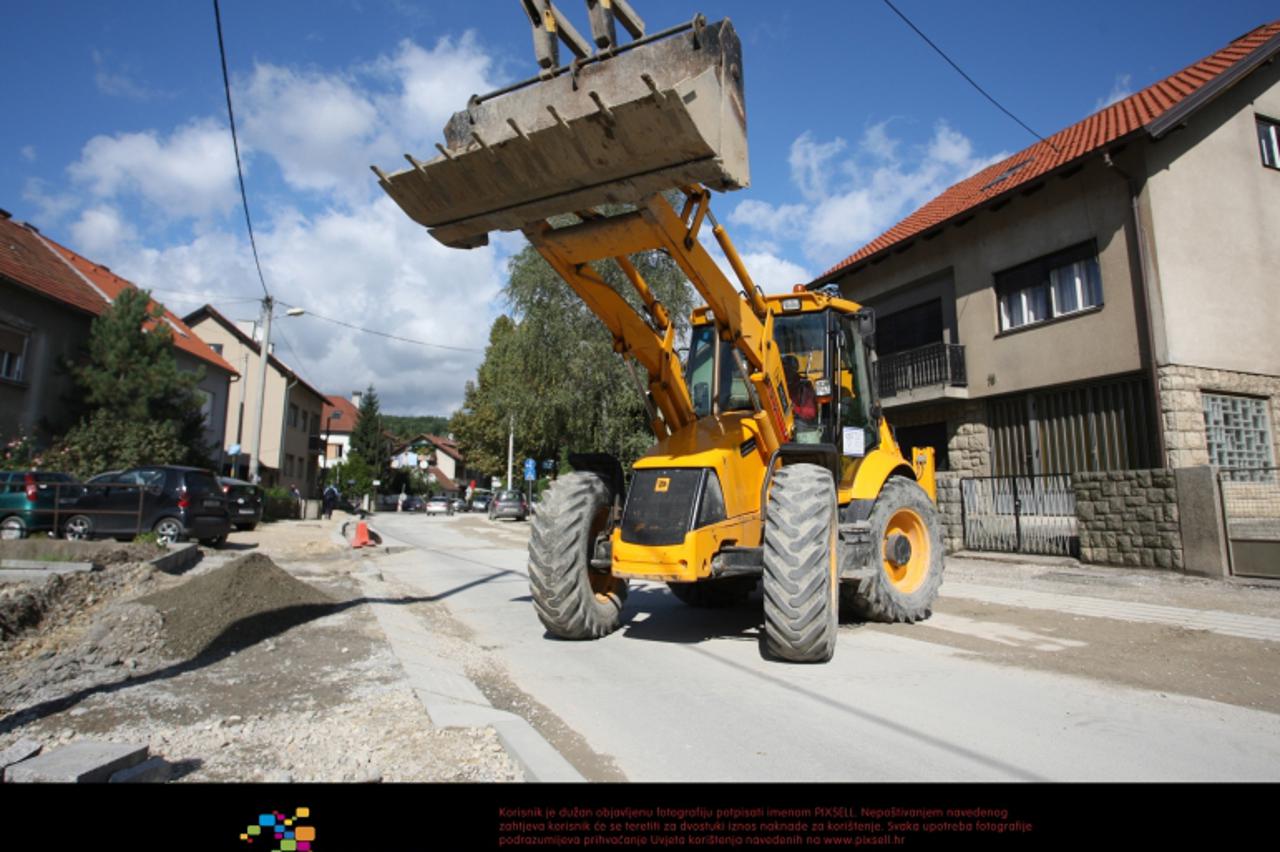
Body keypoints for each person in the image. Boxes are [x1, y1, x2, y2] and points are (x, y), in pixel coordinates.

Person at [781, 354, 818, 422]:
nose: (786, 371)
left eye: (788, 367)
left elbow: (810, 413)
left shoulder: (804, 385)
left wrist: (792, 408)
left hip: (800, 425)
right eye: (783, 368)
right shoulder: (776, 386)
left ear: (795, 369)